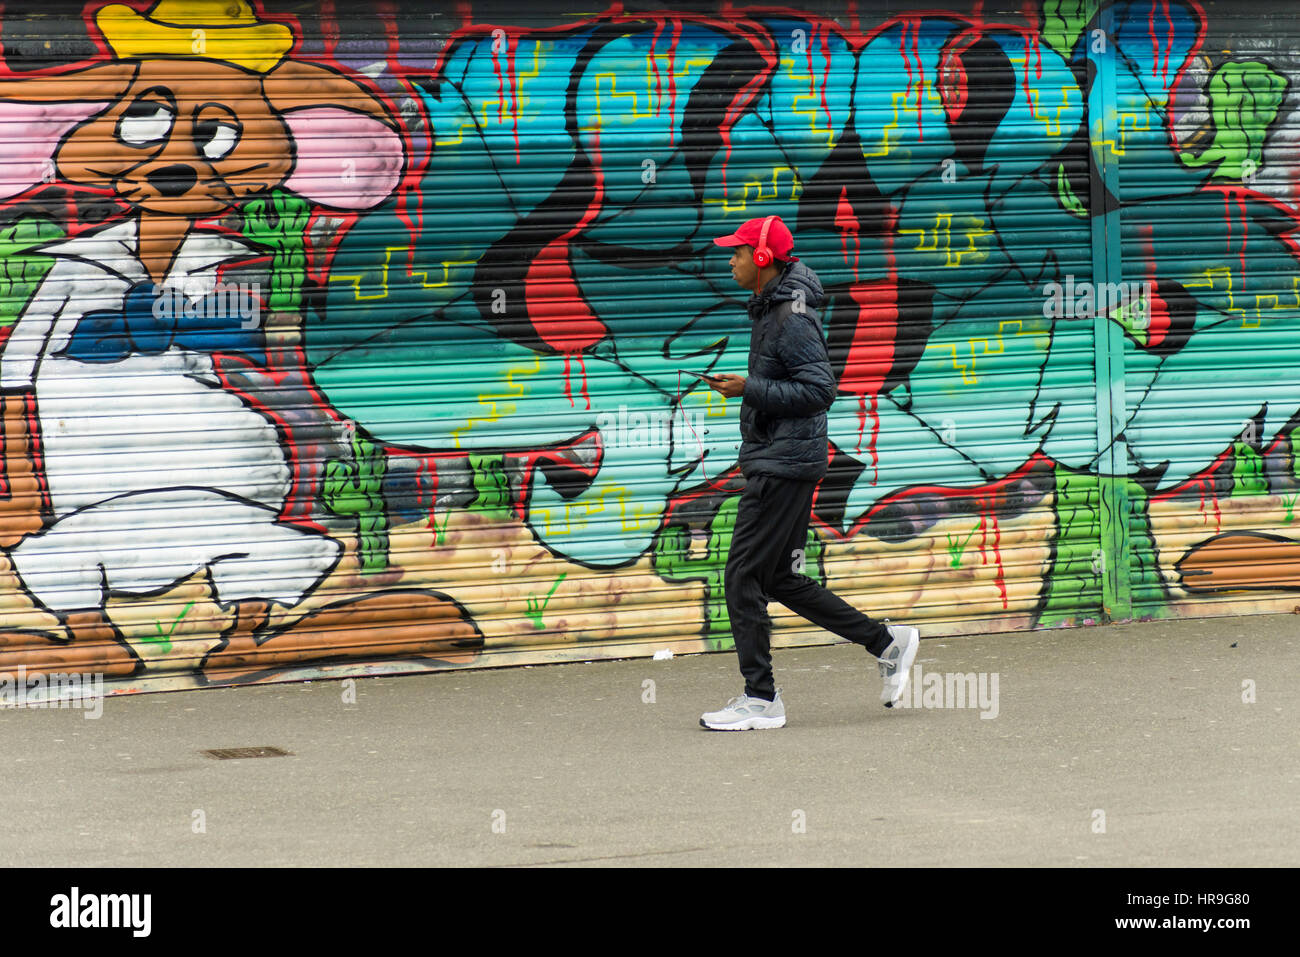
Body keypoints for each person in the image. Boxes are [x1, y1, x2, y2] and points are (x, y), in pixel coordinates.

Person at [698, 214, 919, 730]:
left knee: (741, 575)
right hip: (784, 459)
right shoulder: (773, 309)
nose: (728, 260)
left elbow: (820, 391)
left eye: (735, 252)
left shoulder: (790, 317)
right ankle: (886, 641)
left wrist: (746, 389)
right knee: (779, 577)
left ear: (761, 259)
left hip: (784, 463)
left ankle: (761, 698)